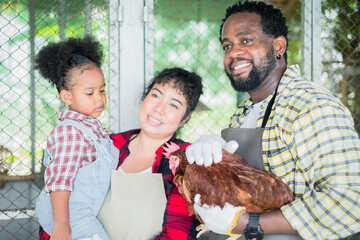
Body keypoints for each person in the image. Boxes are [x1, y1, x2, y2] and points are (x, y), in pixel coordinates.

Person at [185, 1, 360, 240]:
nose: (234, 52)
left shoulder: (310, 106)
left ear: (278, 46)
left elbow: (350, 201)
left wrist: (249, 223)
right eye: (227, 46)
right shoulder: (242, 113)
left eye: (246, 40)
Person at [98, 67, 203, 239]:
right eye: (155, 95)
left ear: (185, 118)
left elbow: (178, 234)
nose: (158, 109)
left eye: (173, 105)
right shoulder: (108, 145)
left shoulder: (185, 161)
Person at [35, 36, 118, 240]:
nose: (99, 98)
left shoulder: (92, 128)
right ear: (67, 97)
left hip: (85, 211)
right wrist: (62, 225)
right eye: (89, 93)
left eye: (102, 90)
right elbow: (60, 182)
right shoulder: (70, 132)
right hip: (69, 215)